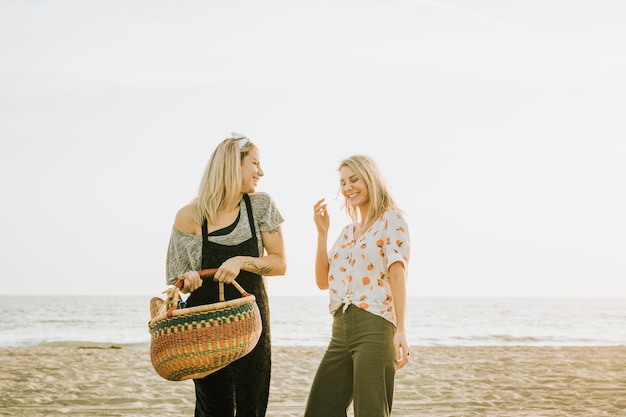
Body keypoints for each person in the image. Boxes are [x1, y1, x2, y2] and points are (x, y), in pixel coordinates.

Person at [165, 132, 287, 417]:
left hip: (250, 323)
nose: (261, 171)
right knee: (214, 406)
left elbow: (280, 264)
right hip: (204, 325)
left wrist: (241, 261)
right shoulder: (190, 215)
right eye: (254, 163)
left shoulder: (260, 206)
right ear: (233, 165)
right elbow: (176, 280)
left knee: (251, 403)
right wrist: (189, 279)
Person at [304, 155, 411, 417]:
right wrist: (322, 233)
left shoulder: (391, 220)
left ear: (371, 180)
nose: (348, 187)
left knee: (371, 412)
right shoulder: (346, 233)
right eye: (343, 182)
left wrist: (401, 330)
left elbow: (397, 274)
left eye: (354, 179)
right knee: (319, 409)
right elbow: (322, 282)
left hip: (374, 327)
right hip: (340, 330)